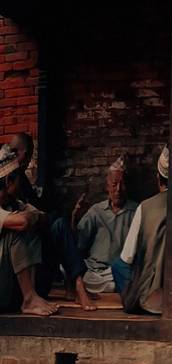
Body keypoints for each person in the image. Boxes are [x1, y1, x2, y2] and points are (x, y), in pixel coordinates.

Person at [7, 130, 94, 309]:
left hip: (35, 272)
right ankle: (75, 285)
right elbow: (26, 221)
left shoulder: (20, 186)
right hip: (14, 284)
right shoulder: (10, 196)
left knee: (58, 223)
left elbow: (40, 213)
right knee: (54, 224)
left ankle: (77, 284)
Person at [114, 148, 172, 314]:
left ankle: (137, 301)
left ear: (158, 178)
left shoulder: (145, 208)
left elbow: (127, 256)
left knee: (118, 265)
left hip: (154, 300)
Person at [0, 141, 54, 315]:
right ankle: (29, 298)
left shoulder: (13, 204)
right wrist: (32, 218)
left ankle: (34, 294)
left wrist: (34, 217)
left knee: (45, 226)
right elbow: (23, 222)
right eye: (18, 179)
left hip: (7, 287)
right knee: (18, 231)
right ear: (8, 181)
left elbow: (44, 217)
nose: (21, 184)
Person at [75, 158, 137, 295]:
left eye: (122, 184)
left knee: (131, 277)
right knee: (77, 274)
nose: (118, 190)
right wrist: (75, 216)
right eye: (114, 184)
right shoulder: (96, 211)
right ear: (107, 186)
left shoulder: (136, 211)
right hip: (95, 272)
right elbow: (79, 242)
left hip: (119, 271)